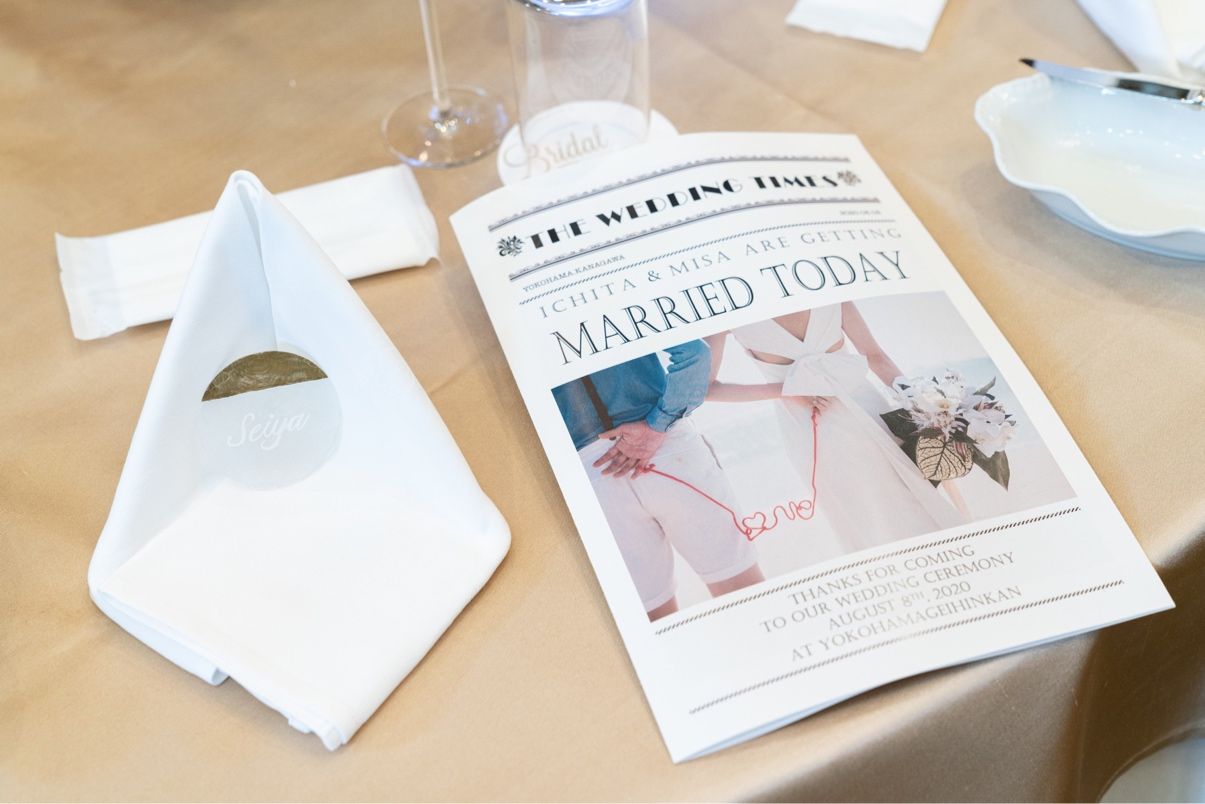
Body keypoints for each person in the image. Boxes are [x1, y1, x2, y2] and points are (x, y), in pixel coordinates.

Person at [704, 302, 964, 552]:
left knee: (910, 499)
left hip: (872, 415)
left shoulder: (824, 289)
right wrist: (787, 390)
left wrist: (928, 410)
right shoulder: (725, 311)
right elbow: (706, 389)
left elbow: (875, 356)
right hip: (814, 428)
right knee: (862, 517)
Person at [554, 339, 764, 621]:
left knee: (658, 625)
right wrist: (659, 423)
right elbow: (695, 354)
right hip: (668, 448)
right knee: (747, 597)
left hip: (592, 473)